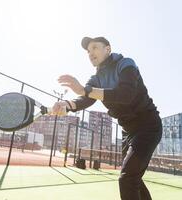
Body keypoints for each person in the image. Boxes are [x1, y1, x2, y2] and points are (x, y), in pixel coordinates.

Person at [53, 37, 162, 200]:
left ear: (108, 49)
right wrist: (66, 105)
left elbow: (125, 95)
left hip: (148, 125)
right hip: (128, 131)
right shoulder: (95, 79)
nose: (90, 53)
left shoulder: (126, 64)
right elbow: (84, 99)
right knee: (134, 179)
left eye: (95, 48)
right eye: (88, 51)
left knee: (127, 179)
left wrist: (85, 90)